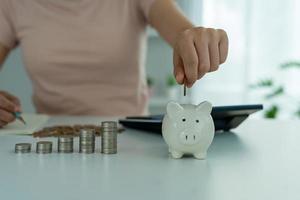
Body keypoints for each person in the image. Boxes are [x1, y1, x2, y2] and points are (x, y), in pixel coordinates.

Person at [0, 0, 228, 127]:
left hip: (130, 137)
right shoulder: (12, 5)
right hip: (53, 140)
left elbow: (181, 31)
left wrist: (191, 37)